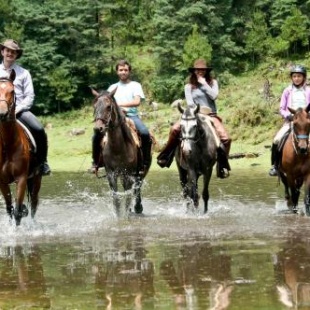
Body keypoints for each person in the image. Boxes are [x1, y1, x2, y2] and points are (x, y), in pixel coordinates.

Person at [157, 59, 231, 178]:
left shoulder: (213, 83)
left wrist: (204, 84)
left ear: (206, 71)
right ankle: (166, 156)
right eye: (198, 70)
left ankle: (222, 166)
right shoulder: (188, 86)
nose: (200, 72)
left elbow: (214, 96)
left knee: (226, 138)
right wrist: (198, 111)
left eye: (202, 70)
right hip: (193, 114)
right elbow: (190, 103)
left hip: (211, 115)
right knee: (175, 129)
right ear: (194, 71)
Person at [91, 59, 152, 173]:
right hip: (114, 119)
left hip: (132, 116)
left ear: (129, 71)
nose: (123, 72)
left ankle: (144, 162)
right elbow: (105, 104)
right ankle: (96, 163)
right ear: (117, 72)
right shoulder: (111, 88)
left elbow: (137, 101)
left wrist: (119, 106)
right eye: (121, 70)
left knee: (144, 133)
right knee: (96, 135)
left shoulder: (135, 85)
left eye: (125, 70)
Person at [0, 39, 51, 176]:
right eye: (8, 50)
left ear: (16, 55)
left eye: (13, 52)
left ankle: (42, 163)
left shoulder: (24, 73)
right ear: (2, 51)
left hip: (20, 111)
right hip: (0, 111)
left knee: (39, 129)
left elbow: (29, 96)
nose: (10, 53)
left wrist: (17, 109)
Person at [269, 64, 310, 176]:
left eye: (299, 76)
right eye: (294, 76)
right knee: (277, 140)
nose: (296, 78)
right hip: (291, 121)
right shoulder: (287, 91)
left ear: (303, 77)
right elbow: (282, 108)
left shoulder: (308, 91)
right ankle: (275, 166)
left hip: (306, 123)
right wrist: (288, 116)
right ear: (292, 78)